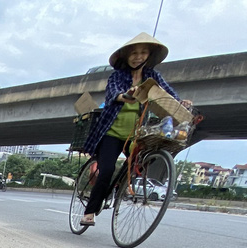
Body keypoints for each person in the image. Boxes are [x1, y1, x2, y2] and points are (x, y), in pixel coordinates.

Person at [80, 33, 192, 227]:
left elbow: (168, 95)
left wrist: (181, 102)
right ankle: (90, 212)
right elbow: (114, 94)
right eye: (134, 53)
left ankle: (119, 188)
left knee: (139, 165)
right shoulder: (118, 76)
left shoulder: (153, 77)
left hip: (136, 134)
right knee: (106, 170)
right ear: (126, 56)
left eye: (142, 52)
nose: (138, 56)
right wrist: (127, 95)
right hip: (112, 133)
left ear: (148, 55)